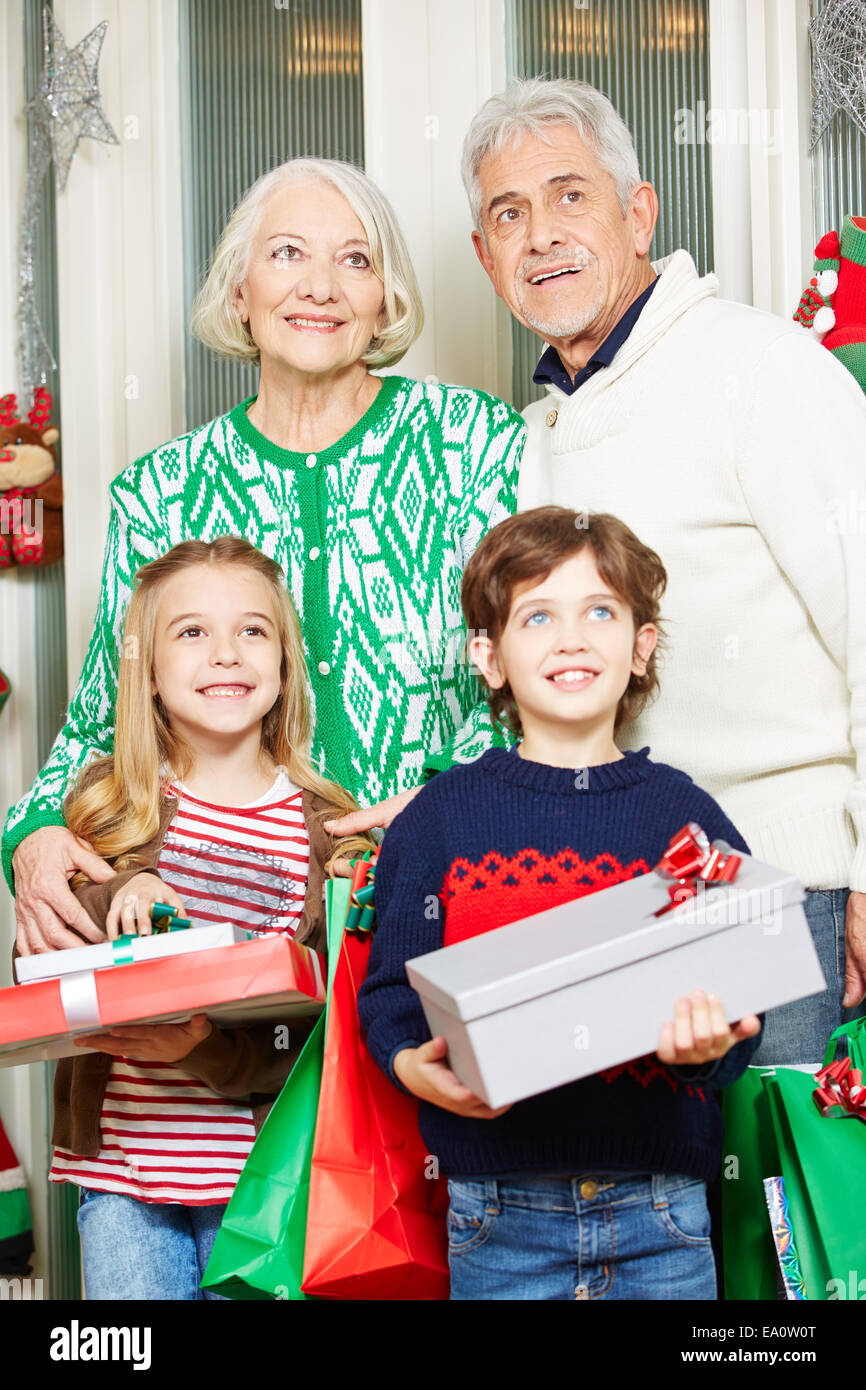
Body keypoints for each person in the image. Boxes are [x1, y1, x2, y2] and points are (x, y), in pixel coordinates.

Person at [3, 156, 525, 955]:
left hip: (449, 900)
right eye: (287, 253)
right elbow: (102, 721)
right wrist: (33, 837)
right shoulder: (159, 492)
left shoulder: (476, 442)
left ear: (384, 300)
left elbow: (537, 674)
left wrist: (442, 803)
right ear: (239, 293)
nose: (319, 287)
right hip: (229, 926)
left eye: (355, 259)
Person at [460, 76, 866, 1064]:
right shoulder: (528, 439)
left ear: (637, 214)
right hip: (609, 899)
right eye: (506, 215)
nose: (539, 235)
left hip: (781, 882)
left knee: (778, 1214)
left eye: (568, 195)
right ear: (484, 259)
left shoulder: (760, 370)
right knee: (658, 1220)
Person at [359, 507, 762, 1302]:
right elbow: (390, 996)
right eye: (537, 616)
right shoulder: (439, 818)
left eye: (601, 612)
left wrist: (710, 1048)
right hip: (496, 1218)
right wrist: (413, 1068)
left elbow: (743, 994)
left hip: (663, 1215)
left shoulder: (686, 818)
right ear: (489, 656)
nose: (571, 639)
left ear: (641, 645)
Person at [47, 536, 374, 1300]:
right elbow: (66, 917)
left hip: (271, 1182)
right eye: (191, 632)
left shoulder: (328, 826)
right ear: (151, 675)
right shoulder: (111, 805)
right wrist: (127, 886)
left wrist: (200, 1048)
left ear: (285, 665)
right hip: (124, 1181)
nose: (225, 653)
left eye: (252, 631)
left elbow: (325, 1022)